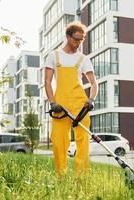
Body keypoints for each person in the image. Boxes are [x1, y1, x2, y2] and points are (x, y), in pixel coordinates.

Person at [44, 21, 98, 176]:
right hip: (60, 106)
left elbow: (94, 84)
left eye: (81, 40)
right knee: (59, 142)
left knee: (83, 143)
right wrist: (52, 102)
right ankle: (61, 177)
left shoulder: (83, 59)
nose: (78, 43)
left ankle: (81, 178)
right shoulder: (53, 56)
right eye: (76, 39)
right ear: (67, 36)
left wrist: (91, 99)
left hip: (80, 105)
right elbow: (47, 82)